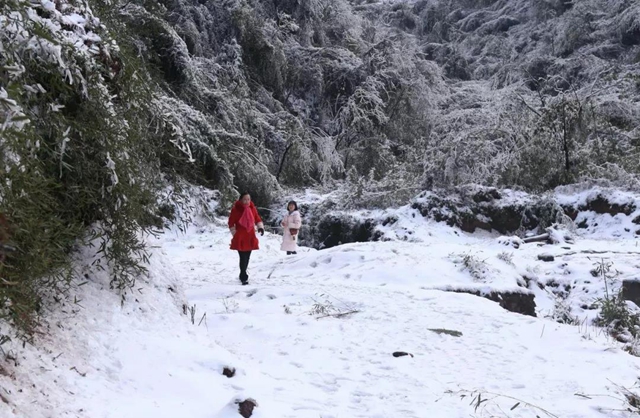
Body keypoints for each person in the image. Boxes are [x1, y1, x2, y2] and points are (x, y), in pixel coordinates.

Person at [228, 192, 264, 285]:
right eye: (245, 199)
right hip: (240, 236)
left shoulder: (252, 208)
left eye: (248, 199)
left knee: (247, 256)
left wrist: (260, 227)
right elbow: (231, 222)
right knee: (242, 256)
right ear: (241, 200)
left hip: (250, 235)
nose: (247, 201)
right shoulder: (236, 209)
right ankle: (244, 276)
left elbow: (257, 218)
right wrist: (234, 233)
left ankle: (242, 273)